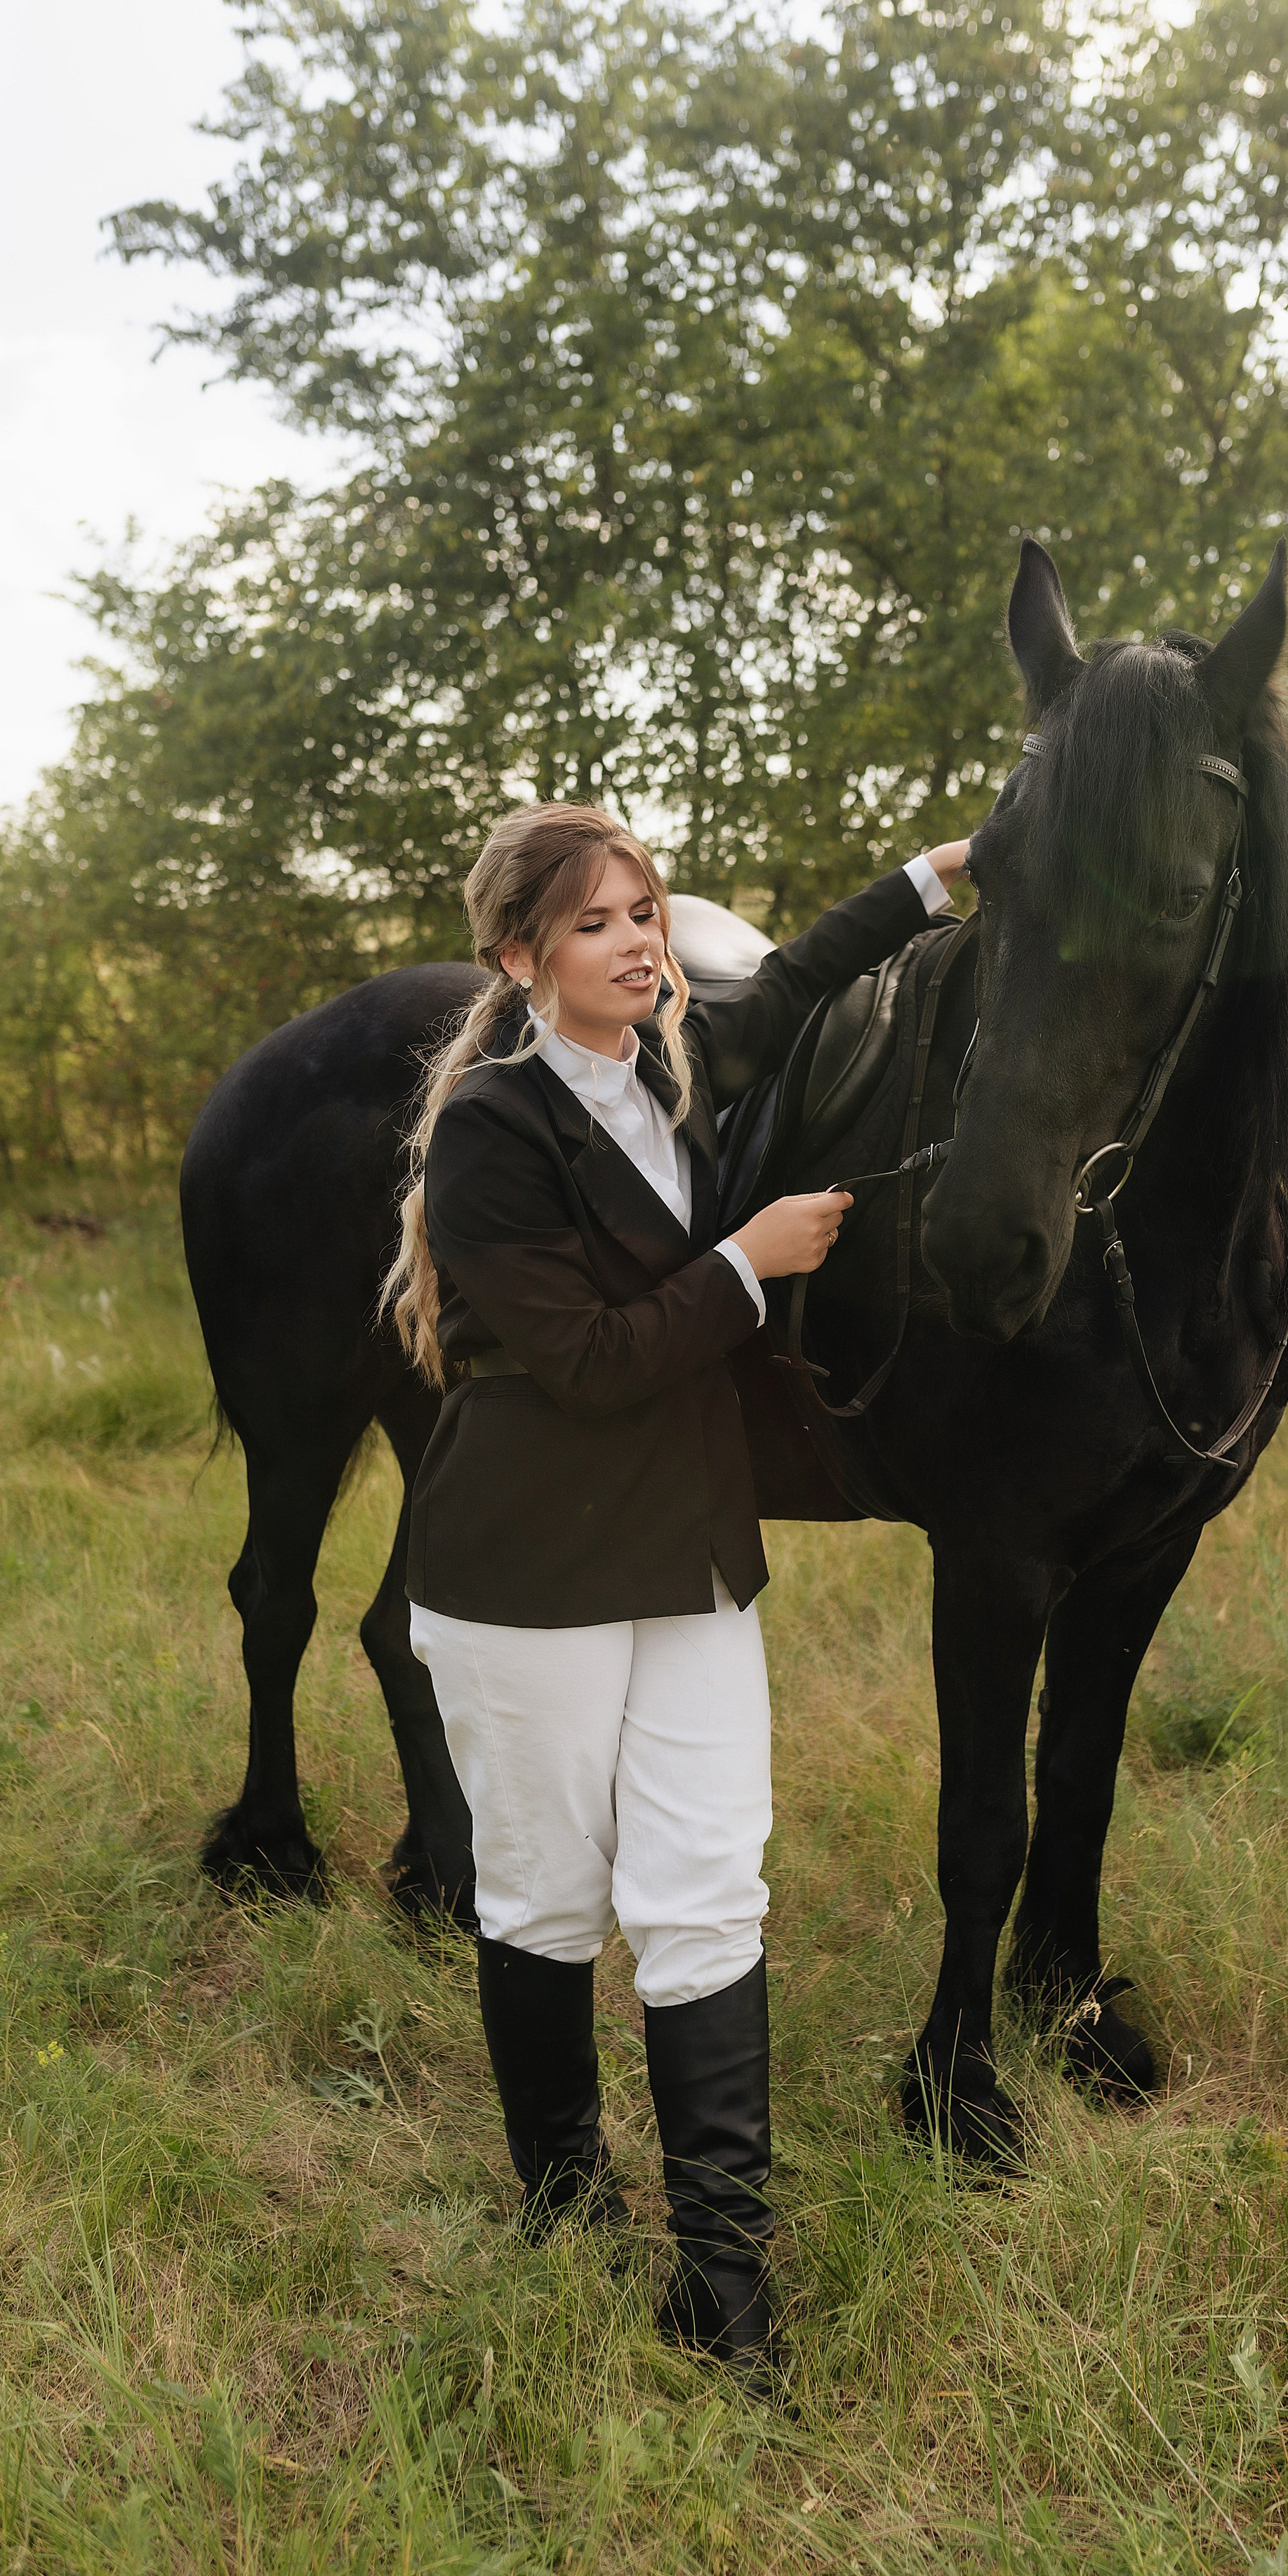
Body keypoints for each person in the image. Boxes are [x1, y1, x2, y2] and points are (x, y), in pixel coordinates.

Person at [382, 801, 970, 2388]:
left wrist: (938, 876)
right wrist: (749, 1260)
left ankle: (724, 2287)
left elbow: (793, 982)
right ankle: (563, 2208)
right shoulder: (491, 1130)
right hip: (529, 1568)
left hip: (693, 1558)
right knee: (546, 1900)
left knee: (709, 1895)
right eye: (596, 922)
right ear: (520, 956)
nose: (639, 940)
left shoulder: (671, 1062)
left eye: (646, 911)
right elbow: (581, 1361)